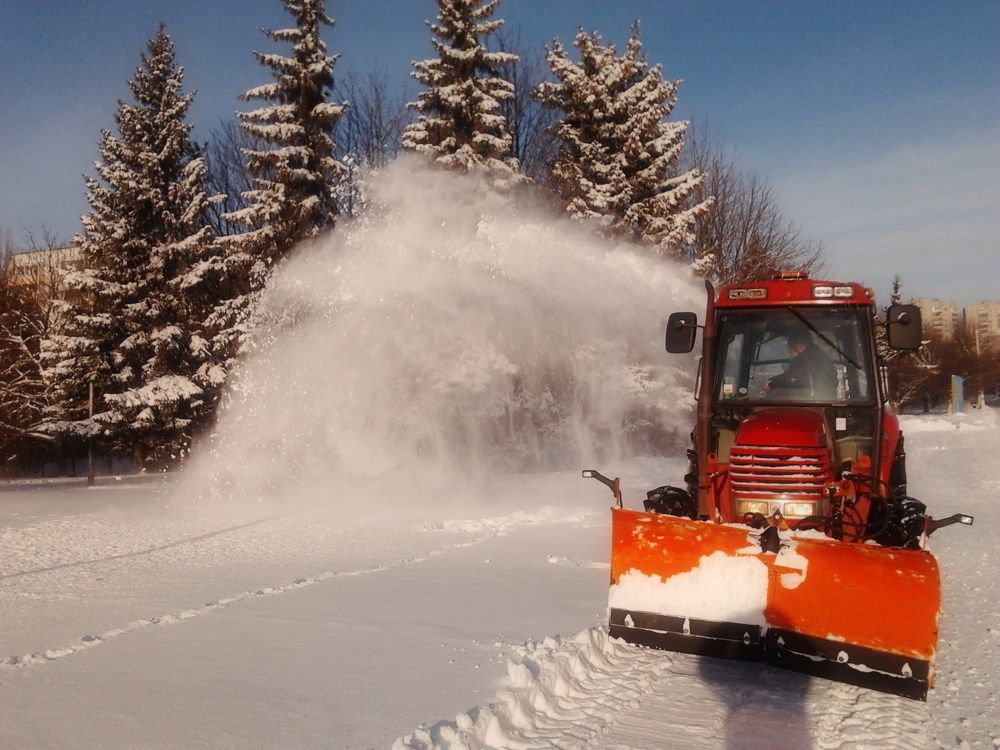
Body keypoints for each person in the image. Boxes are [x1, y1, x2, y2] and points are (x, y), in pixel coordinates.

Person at [768, 329, 837, 398]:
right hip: (825, 401)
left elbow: (792, 378)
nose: (789, 354)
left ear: (796, 346)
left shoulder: (804, 361)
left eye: (789, 349)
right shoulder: (821, 357)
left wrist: (771, 385)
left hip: (810, 402)